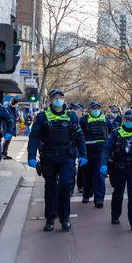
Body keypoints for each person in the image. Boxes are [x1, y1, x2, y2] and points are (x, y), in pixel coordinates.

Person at [27, 89, 87, 231]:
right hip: (48, 156)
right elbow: (34, 137)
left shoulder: (71, 116)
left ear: (63, 99)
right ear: (50, 100)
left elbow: (79, 136)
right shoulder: (42, 117)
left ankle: (65, 218)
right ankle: (50, 218)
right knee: (50, 187)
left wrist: (83, 154)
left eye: (60, 97)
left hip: (66, 156)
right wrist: (30, 156)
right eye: (55, 97)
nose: (58, 99)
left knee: (66, 185)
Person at [101, 110, 132, 231]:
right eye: (128, 120)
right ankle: (115, 215)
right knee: (118, 193)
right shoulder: (116, 133)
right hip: (119, 167)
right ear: (123, 120)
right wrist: (103, 164)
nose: (130, 122)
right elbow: (106, 149)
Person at [79, 101, 112, 207]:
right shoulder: (83, 120)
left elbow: (110, 133)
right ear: (89, 109)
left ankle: (99, 199)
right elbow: (79, 135)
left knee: (99, 175)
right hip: (87, 151)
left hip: (101, 151)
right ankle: (87, 193)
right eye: (94, 108)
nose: (96, 110)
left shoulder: (106, 119)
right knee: (87, 174)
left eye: (98, 107)